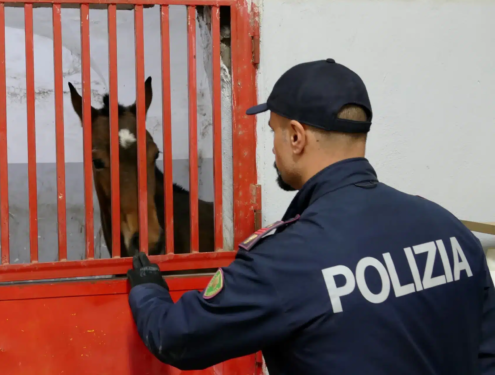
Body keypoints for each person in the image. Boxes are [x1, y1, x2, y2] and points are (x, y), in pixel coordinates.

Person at [125, 58, 495, 374]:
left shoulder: (286, 260)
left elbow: (177, 336)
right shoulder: (449, 230)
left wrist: (147, 290)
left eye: (273, 131)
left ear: (297, 137)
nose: (272, 146)